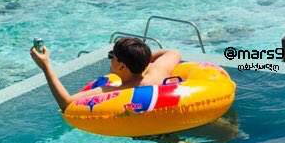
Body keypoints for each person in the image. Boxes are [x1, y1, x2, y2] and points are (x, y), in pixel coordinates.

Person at [30, 36, 181, 112]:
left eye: (111, 56)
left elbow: (66, 103)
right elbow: (173, 53)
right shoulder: (157, 74)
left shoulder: (113, 91)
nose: (109, 59)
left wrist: (46, 67)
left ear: (122, 66)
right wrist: (139, 58)